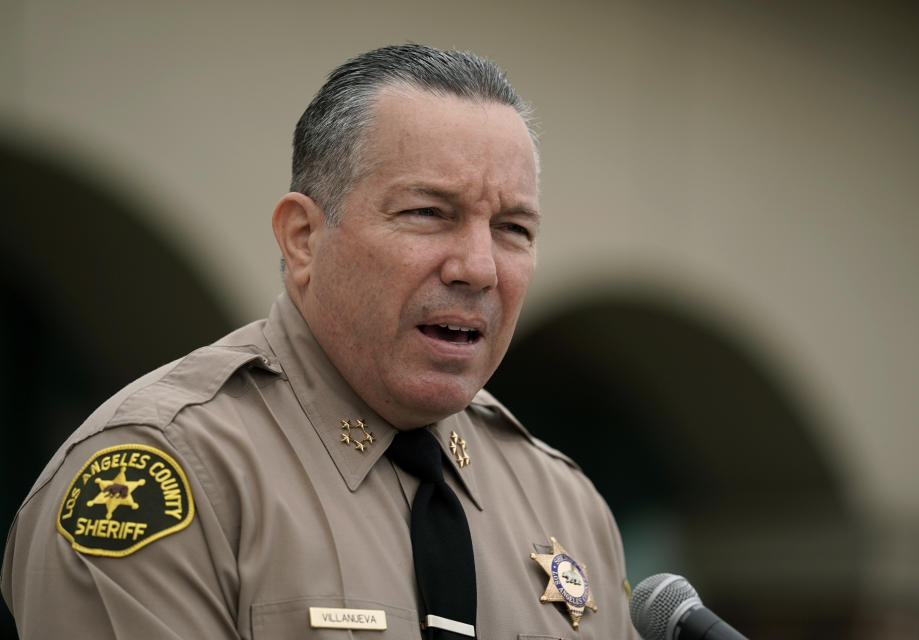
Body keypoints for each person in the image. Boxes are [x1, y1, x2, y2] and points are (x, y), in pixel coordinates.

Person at [2, 44, 638, 639]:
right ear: (303, 238)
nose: (478, 267)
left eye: (512, 227)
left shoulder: (566, 504)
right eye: (428, 213)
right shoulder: (166, 477)